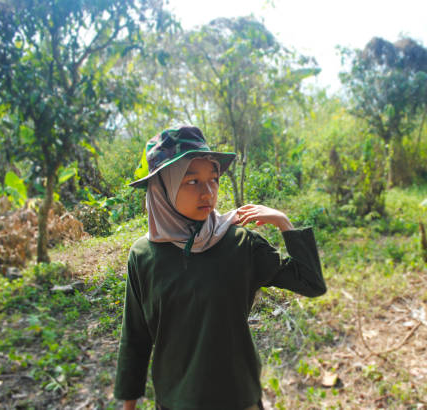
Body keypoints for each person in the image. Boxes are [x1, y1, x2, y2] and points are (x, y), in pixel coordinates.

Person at [114, 126, 326, 409]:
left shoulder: (239, 243)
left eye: (213, 179)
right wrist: (129, 404)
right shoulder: (143, 256)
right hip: (176, 401)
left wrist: (284, 223)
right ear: (162, 187)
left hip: (239, 398)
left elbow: (311, 283)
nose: (208, 192)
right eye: (192, 182)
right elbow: (135, 338)